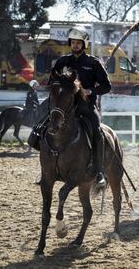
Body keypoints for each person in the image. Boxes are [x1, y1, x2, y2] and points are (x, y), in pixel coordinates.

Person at [41, 25, 111, 188]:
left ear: (84, 44)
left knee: (97, 132)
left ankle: (99, 172)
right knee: (41, 128)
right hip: (63, 108)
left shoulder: (93, 63)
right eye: (73, 42)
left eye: (78, 42)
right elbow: (52, 82)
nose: (75, 45)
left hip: (86, 107)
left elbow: (107, 86)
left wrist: (91, 90)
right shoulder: (62, 61)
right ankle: (46, 169)